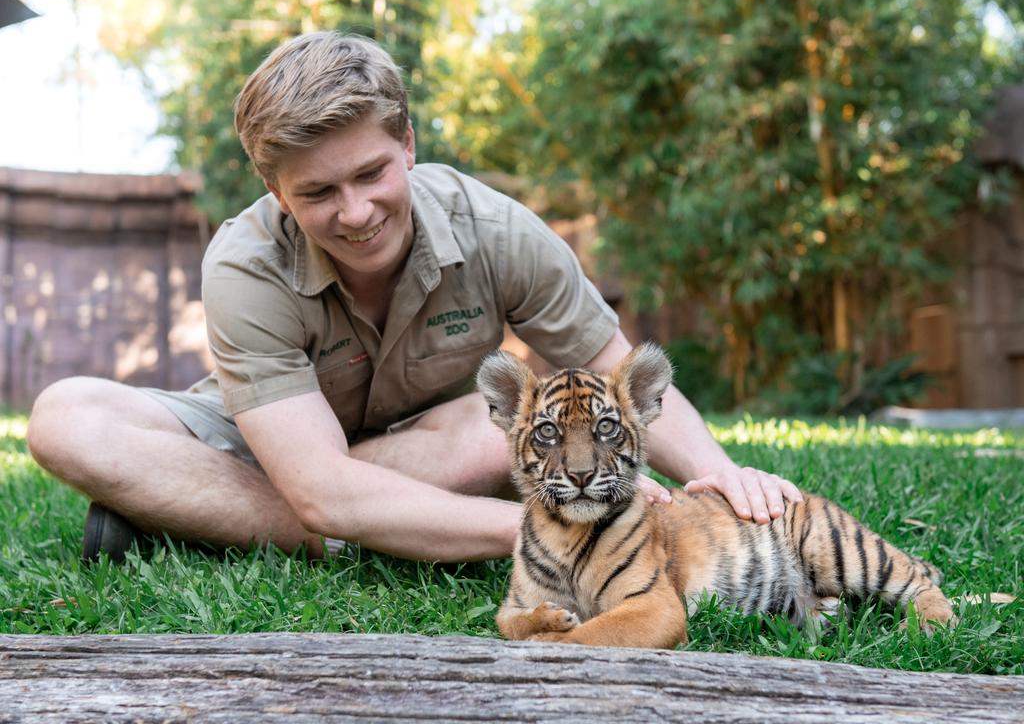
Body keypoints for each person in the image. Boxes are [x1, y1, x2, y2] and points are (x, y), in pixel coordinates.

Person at [26, 32, 802, 563]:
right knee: (67, 417)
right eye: (318, 192)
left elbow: (619, 372)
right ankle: (342, 517)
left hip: (428, 439)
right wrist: (539, 530)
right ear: (275, 189)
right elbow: (321, 490)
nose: (355, 213)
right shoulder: (245, 261)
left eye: (371, 174)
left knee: (488, 434)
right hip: (267, 437)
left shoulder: (497, 229)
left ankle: (199, 518)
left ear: (408, 144)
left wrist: (720, 473)